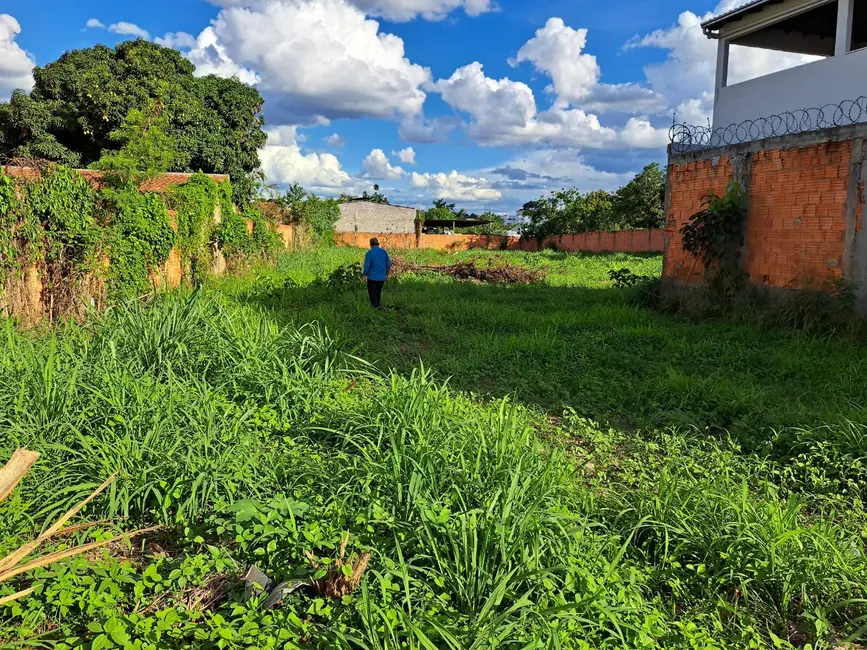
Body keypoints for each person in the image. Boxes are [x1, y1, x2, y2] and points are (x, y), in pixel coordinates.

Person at [362, 237, 391, 308]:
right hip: (381, 278)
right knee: (378, 292)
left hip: (372, 278)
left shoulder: (369, 253)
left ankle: (375, 307)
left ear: (370, 244)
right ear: (378, 244)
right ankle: (378, 305)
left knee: (372, 294)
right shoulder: (384, 252)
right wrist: (387, 274)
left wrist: (364, 275)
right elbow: (388, 264)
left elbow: (367, 265)